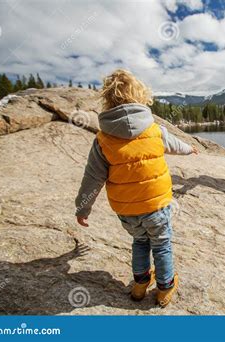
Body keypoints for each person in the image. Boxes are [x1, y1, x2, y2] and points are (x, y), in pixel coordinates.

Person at [75, 69, 198, 307]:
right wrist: (189, 148)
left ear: (108, 99)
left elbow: (93, 177)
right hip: (157, 206)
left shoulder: (103, 139)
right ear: (140, 96)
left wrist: (83, 208)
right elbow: (174, 145)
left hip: (127, 211)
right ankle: (164, 288)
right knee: (162, 244)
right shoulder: (154, 129)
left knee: (140, 243)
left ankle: (140, 285)